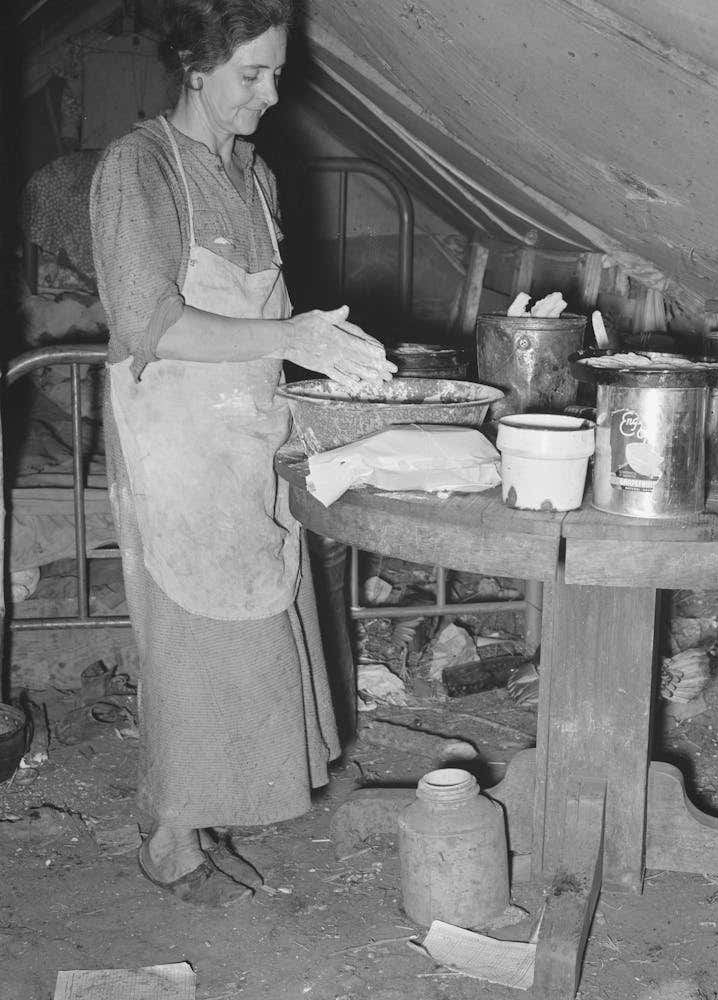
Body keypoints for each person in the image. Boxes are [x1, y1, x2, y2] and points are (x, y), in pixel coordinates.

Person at [89, 0, 396, 907]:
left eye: (276, 71)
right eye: (251, 74)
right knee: (189, 645)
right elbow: (151, 322)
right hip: (178, 441)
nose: (271, 91)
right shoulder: (137, 168)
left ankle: (210, 805)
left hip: (247, 433)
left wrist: (317, 373)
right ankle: (169, 837)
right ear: (193, 65)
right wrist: (292, 336)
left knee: (258, 631)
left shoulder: (252, 174)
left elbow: (270, 321)